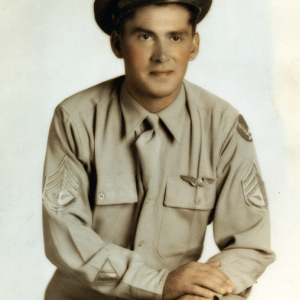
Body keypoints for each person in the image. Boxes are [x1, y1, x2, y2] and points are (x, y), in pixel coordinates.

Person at [42, 0, 275, 299]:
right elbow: (66, 234)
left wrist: (205, 290)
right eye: (145, 36)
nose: (162, 56)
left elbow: (250, 244)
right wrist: (158, 284)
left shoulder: (223, 125)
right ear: (117, 44)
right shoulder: (76, 118)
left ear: (193, 45)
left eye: (175, 37)